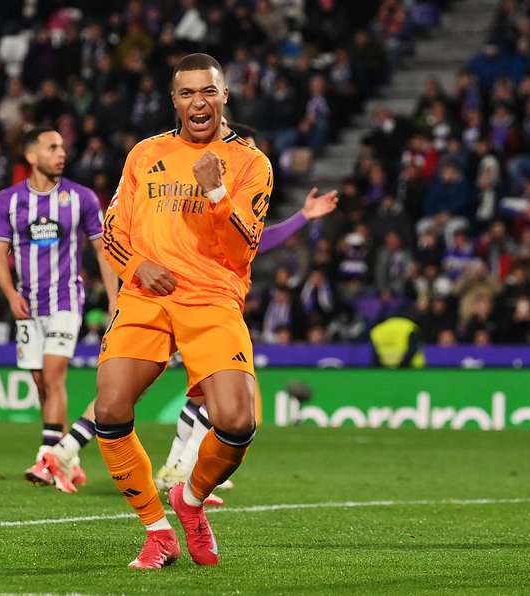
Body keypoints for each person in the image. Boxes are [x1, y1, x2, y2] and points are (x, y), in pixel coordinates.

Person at [41, 124, 338, 497]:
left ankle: (75, 450)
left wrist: (302, 217)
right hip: (197, 300)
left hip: (183, 297)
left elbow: (254, 238)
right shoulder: (203, 197)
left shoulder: (227, 196)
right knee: (197, 394)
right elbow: (248, 241)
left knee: (155, 392)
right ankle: (177, 470)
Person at [91, 52, 272, 569]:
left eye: (208, 92)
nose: (199, 102)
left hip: (213, 297)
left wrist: (215, 189)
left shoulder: (250, 163)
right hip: (147, 296)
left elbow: (244, 250)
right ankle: (156, 532)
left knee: (238, 422)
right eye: (188, 93)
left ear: (224, 97)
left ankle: (189, 502)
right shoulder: (144, 154)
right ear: (174, 100)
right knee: (110, 409)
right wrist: (137, 267)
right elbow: (112, 232)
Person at [0, 127, 117, 486]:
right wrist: (11, 294)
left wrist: (113, 298)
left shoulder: (82, 198)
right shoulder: (8, 201)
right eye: (52, 147)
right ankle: (68, 459)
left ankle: (46, 459)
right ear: (31, 156)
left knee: (54, 374)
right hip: (28, 305)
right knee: (41, 383)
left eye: (63, 146)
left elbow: (102, 249)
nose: (61, 153)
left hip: (66, 301)